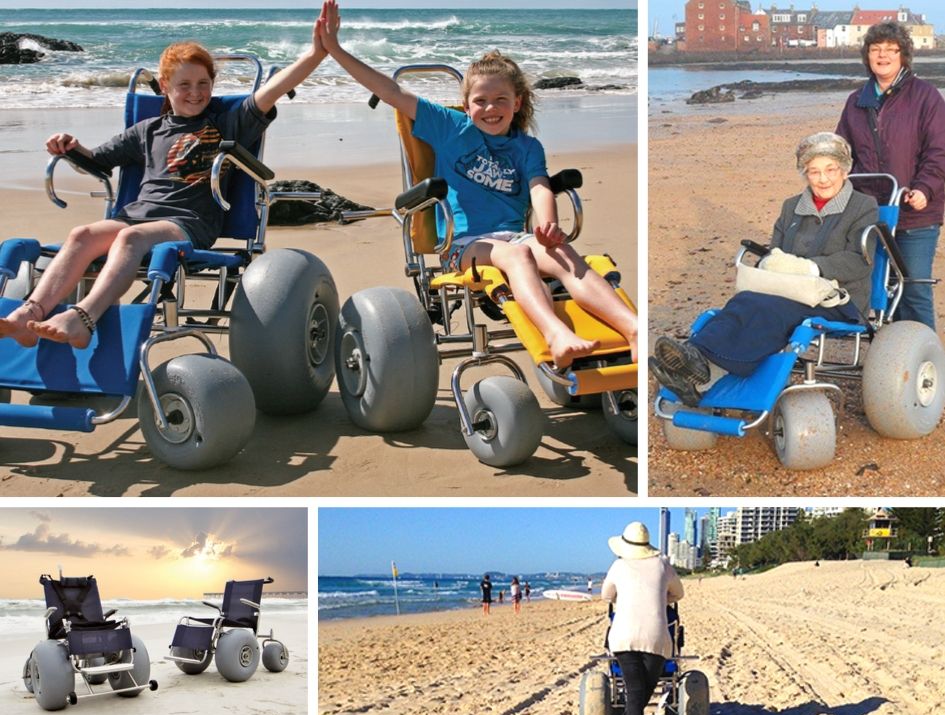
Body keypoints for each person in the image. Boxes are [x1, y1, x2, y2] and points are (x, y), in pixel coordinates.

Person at [312, 0, 637, 369]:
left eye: (501, 99)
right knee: (519, 256)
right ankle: (556, 334)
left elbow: (540, 186)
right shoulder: (450, 128)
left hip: (518, 237)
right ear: (466, 105)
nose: (490, 108)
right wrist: (335, 49)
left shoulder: (526, 146)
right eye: (480, 101)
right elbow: (389, 91)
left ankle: (633, 329)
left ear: (518, 102)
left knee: (564, 256)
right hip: (464, 244)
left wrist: (548, 225)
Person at [0, 19, 328, 348]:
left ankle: (83, 317)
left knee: (129, 238)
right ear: (164, 86)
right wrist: (70, 147)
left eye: (203, 83)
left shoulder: (227, 121)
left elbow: (273, 90)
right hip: (137, 216)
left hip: (187, 223)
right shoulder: (148, 129)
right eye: (184, 85)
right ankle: (30, 314)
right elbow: (97, 161)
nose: (196, 93)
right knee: (82, 235)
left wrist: (315, 54)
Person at [650, 132, 877, 406]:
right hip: (786, 289)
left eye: (831, 170)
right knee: (744, 301)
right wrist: (771, 264)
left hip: (837, 297)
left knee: (770, 311)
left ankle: (706, 371)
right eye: (814, 171)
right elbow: (775, 252)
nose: (823, 179)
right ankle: (693, 360)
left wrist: (808, 267)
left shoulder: (863, 206)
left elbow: (858, 260)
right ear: (804, 173)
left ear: (844, 170)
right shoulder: (791, 206)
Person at [836, 21, 945, 331]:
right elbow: (842, 152)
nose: (882, 55)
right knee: (877, 288)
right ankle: (890, 351)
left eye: (889, 49)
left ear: (903, 55)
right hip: (868, 211)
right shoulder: (857, 101)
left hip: (914, 211)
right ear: (867, 55)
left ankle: (924, 357)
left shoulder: (926, 97)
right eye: (875, 49)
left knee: (912, 287)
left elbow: (939, 151)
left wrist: (925, 188)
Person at [601, 522, 684, 715]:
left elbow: (606, 595)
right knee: (643, 687)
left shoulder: (618, 566)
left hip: (624, 634)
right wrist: (658, 599)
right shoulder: (663, 564)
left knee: (638, 688)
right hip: (655, 634)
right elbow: (679, 593)